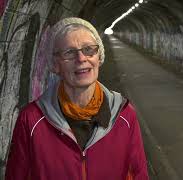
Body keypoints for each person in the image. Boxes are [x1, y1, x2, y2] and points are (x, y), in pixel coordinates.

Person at [5, 17, 149, 180]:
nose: (81, 59)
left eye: (89, 49)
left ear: (98, 56)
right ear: (55, 64)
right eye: (69, 52)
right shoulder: (31, 120)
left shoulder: (125, 115)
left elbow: (138, 174)